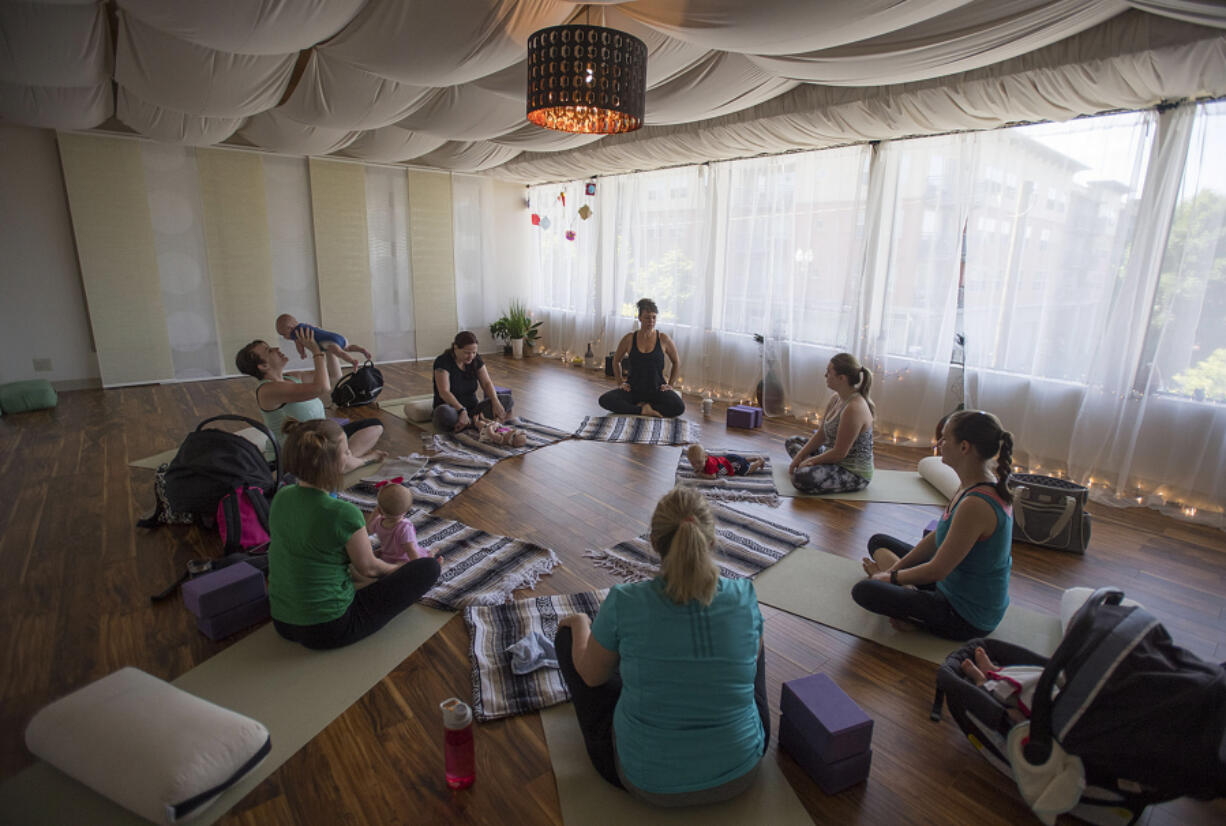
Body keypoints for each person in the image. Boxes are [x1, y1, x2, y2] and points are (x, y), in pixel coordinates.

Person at [555, 487, 768, 806]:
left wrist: (580, 622)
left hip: (645, 779)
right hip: (742, 768)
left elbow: (591, 677)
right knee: (754, 643)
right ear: (710, 542)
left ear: (654, 543)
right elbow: (750, 660)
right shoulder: (744, 595)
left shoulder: (625, 601)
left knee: (570, 641)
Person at [268, 420, 440, 650]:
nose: (350, 455)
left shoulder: (282, 496)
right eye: (347, 451)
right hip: (329, 627)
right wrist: (403, 568)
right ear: (333, 463)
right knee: (429, 568)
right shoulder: (343, 513)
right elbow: (370, 569)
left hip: (282, 621)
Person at [851, 410, 1015, 641]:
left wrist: (889, 579)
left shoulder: (977, 504)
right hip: (952, 580)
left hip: (966, 616)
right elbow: (938, 536)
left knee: (864, 591)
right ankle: (909, 595)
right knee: (878, 541)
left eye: (945, 438)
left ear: (964, 447)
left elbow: (938, 569)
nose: (939, 443)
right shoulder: (973, 482)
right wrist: (893, 572)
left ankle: (916, 617)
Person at [235, 331, 385, 473]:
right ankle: (355, 461)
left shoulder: (293, 377)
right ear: (263, 366)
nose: (276, 348)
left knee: (374, 426)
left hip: (320, 439)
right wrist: (315, 352)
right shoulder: (268, 390)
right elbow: (322, 387)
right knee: (337, 445)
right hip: (295, 454)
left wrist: (326, 348)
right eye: (269, 350)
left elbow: (333, 375)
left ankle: (342, 463)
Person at [784, 352, 875, 494]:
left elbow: (840, 453)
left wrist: (810, 462)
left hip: (852, 472)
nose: (825, 375)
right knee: (792, 442)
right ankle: (812, 467)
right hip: (832, 457)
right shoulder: (836, 398)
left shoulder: (854, 408)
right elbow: (822, 433)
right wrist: (799, 457)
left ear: (841, 378)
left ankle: (810, 469)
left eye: (829, 372)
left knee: (800, 478)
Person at [599, 298, 685, 418]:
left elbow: (676, 362)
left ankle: (640, 407)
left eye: (654, 317)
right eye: (647, 317)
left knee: (679, 407)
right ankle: (642, 410)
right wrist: (620, 383)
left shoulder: (663, 339)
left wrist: (670, 385)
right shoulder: (629, 338)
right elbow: (616, 361)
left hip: (657, 389)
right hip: (633, 389)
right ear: (639, 318)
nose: (651, 321)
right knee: (605, 400)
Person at [432, 331, 514, 433]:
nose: (471, 356)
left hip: (473, 410)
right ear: (456, 348)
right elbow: (444, 392)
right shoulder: (443, 361)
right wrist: (461, 410)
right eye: (466, 352)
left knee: (507, 400)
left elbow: (486, 383)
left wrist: (495, 401)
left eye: (474, 352)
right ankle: (477, 423)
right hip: (452, 409)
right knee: (443, 413)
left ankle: (471, 422)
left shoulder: (475, 359)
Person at [275, 313, 372, 383]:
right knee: (348, 347)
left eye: (284, 334)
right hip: (337, 336)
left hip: (329, 343)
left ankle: (352, 361)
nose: (284, 337)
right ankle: (362, 350)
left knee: (340, 353)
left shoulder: (296, 334)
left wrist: (302, 353)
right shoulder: (305, 325)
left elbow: (299, 345)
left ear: (290, 328)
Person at [366, 483, 424, 564]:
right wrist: (421, 565)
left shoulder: (378, 522)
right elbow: (411, 550)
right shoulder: (405, 528)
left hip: (387, 558)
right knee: (426, 558)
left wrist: (377, 509)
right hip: (404, 560)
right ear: (406, 511)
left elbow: (369, 528)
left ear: (379, 510)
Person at [685, 444, 766, 478]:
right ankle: (754, 458)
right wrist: (700, 467)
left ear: (706, 457)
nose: (696, 466)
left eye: (699, 462)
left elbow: (713, 476)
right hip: (728, 459)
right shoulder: (703, 460)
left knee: (746, 470)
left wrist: (701, 474)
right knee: (742, 460)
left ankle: (759, 461)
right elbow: (699, 466)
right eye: (693, 463)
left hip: (731, 465)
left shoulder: (710, 465)